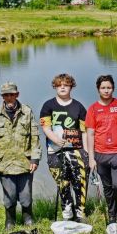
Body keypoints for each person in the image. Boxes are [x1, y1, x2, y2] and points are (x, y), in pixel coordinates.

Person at [0, 82, 41, 231]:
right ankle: (10, 220)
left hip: (25, 163)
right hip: (5, 164)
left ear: (17, 95)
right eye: (6, 95)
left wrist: (35, 159)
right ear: (2, 97)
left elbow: (35, 137)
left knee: (26, 196)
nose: (9, 98)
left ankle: (28, 218)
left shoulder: (27, 112)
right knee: (9, 197)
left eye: (11, 94)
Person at [40, 73, 89, 222]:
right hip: (55, 151)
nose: (62, 87)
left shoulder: (79, 106)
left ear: (71, 87)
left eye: (66, 84)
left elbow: (84, 131)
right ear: (55, 87)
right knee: (63, 183)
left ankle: (80, 213)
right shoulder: (48, 106)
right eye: (59, 84)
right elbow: (45, 127)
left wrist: (86, 151)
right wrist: (55, 139)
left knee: (79, 182)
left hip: (76, 149)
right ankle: (67, 212)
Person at [87, 75, 117, 224]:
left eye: (109, 87)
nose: (106, 90)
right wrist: (91, 158)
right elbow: (90, 134)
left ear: (113, 88)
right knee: (108, 187)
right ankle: (112, 214)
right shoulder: (92, 109)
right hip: (100, 154)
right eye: (103, 88)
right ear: (98, 89)